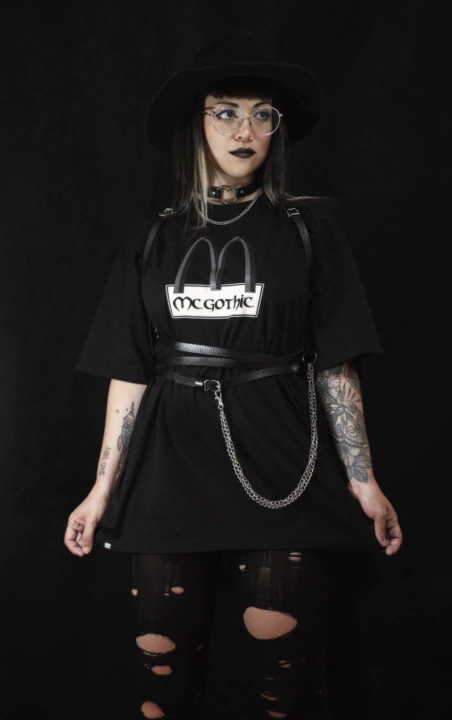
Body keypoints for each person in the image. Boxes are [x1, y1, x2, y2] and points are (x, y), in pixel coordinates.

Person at [64, 32, 402, 720]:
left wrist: (364, 479)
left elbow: (336, 364)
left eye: (262, 115)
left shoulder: (309, 231)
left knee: (286, 685)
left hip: (281, 463)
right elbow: (129, 371)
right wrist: (101, 489)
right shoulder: (153, 235)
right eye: (226, 112)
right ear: (197, 124)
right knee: (162, 682)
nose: (245, 130)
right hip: (169, 465)